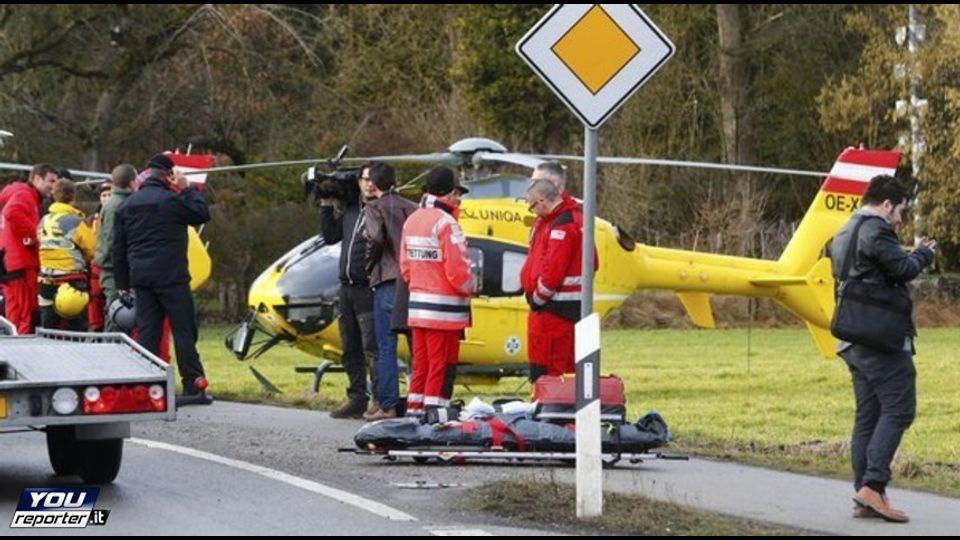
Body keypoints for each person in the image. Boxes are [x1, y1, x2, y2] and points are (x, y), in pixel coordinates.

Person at [830, 175, 935, 523]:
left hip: (852, 338)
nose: (900, 220)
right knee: (900, 409)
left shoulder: (845, 229)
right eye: (900, 211)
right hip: (879, 339)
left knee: (868, 416)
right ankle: (874, 486)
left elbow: (869, 270)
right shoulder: (875, 229)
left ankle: (865, 496)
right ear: (887, 204)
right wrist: (923, 253)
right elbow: (904, 269)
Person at [114, 154, 212, 406]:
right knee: (183, 331)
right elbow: (202, 213)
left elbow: (119, 249)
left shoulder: (127, 206)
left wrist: (123, 284)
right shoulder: (172, 200)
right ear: (168, 176)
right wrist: (187, 188)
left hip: (141, 279)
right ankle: (192, 384)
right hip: (172, 277)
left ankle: (148, 385)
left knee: (148, 332)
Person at [399, 166, 473, 420]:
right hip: (444, 313)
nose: (458, 199)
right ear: (449, 193)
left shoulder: (413, 219)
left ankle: (413, 412)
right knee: (439, 367)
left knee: (421, 365)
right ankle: (434, 417)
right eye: (457, 193)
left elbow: (405, 267)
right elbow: (458, 272)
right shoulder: (446, 223)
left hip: (418, 308)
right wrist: (470, 289)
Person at [520, 178, 594, 382]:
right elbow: (592, 262)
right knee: (568, 371)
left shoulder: (561, 225)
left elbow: (553, 270)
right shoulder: (576, 220)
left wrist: (538, 298)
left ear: (541, 201)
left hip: (553, 312)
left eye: (532, 206)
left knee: (550, 373)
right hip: (566, 311)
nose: (533, 212)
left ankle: (551, 412)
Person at [319, 165, 378, 419]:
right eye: (364, 179)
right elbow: (330, 236)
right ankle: (356, 397)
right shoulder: (352, 211)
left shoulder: (380, 212)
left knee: (372, 347)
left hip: (368, 288)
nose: (368, 184)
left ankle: (379, 398)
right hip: (346, 288)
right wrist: (325, 204)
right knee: (350, 346)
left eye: (372, 180)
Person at [363, 162, 417, 421]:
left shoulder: (374, 208)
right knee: (417, 344)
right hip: (413, 281)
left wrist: (369, 264)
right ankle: (420, 401)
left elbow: (374, 239)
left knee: (387, 345)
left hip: (387, 280)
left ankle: (388, 405)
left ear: (373, 183)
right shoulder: (413, 207)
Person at [0, 163, 58, 334]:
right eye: (51, 181)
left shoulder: (15, 194)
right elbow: (13, 212)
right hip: (22, 263)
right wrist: (36, 236)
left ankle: (11, 353)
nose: (54, 186)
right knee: (29, 314)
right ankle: (25, 355)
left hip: (8, 262)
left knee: (15, 314)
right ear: (37, 178)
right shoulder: (25, 195)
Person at [37, 179, 95, 330]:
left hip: (46, 279)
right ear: (73, 198)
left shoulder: (44, 220)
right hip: (71, 279)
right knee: (76, 326)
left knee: (48, 326)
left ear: (54, 196)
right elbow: (91, 249)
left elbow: (39, 241)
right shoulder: (75, 221)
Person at [96, 165, 137, 329]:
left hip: (114, 269)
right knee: (118, 318)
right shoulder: (118, 206)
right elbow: (114, 243)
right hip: (113, 271)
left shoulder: (116, 203)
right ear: (132, 182)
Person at [87, 180, 113, 331]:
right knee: (95, 305)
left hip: (111, 268)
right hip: (95, 268)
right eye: (104, 195)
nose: (106, 198)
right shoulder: (91, 220)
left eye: (109, 194)